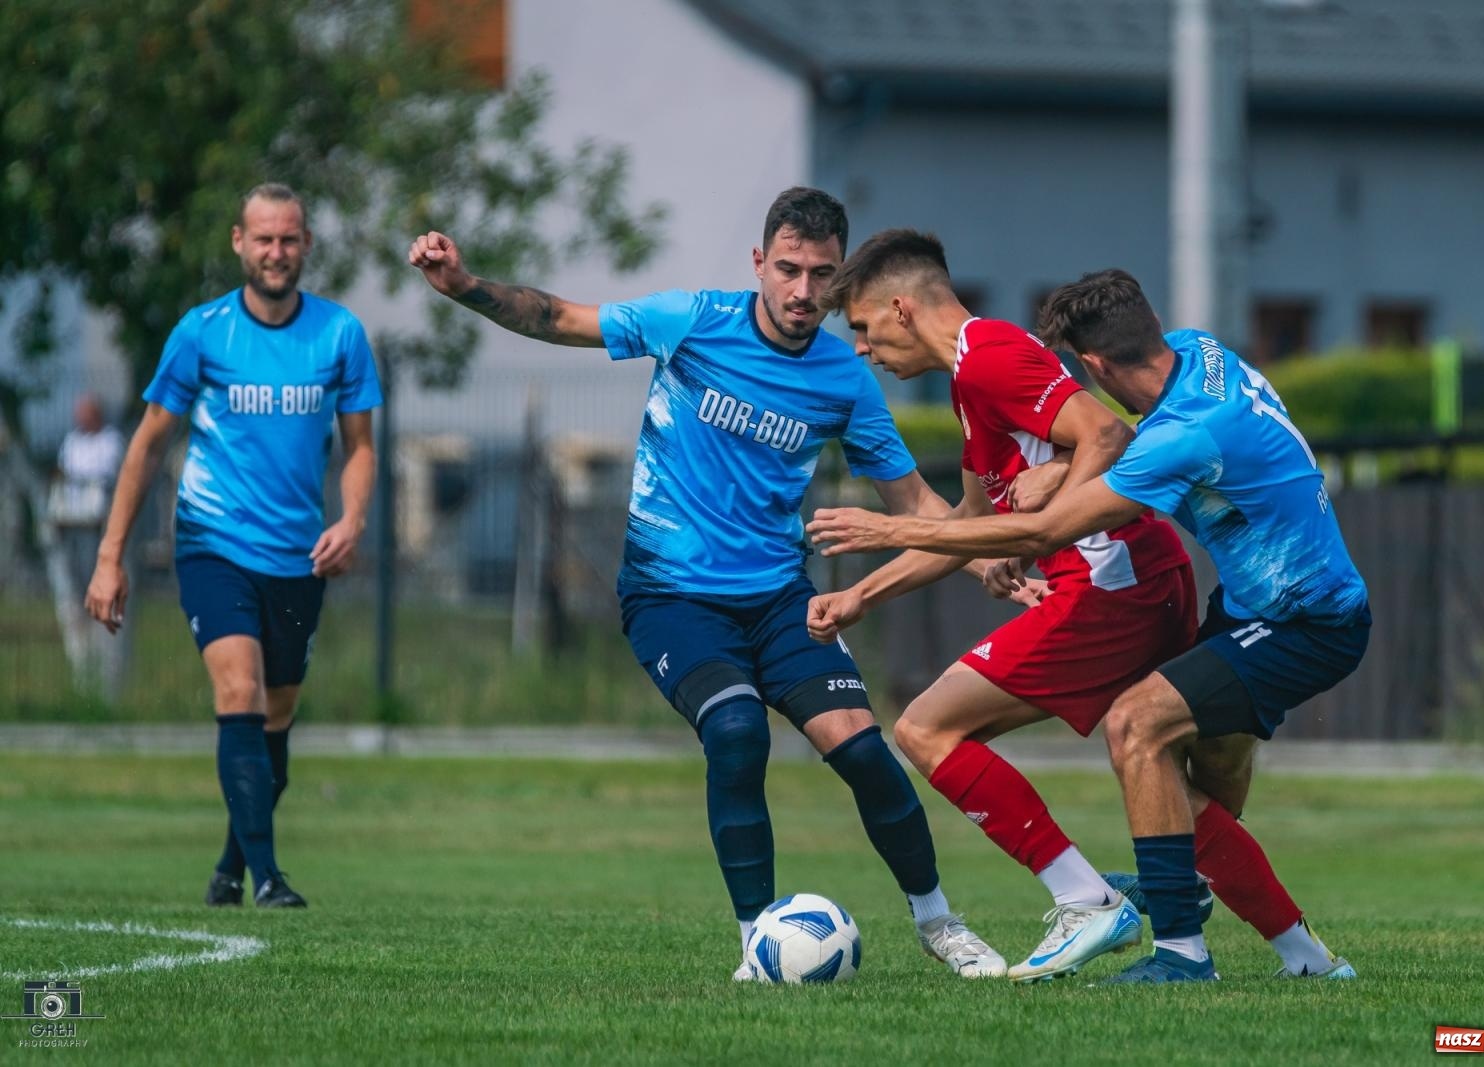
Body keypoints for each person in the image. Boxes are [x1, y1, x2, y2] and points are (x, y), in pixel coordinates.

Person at [409, 187, 1007, 981]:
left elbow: (913, 503)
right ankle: (759, 940)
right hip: (670, 595)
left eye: (822, 276)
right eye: (788, 269)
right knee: (735, 732)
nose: (803, 292)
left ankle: (940, 922)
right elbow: (559, 317)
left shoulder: (844, 376)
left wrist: (983, 553)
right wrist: (465, 286)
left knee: (864, 751)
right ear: (759, 264)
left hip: (780, 597)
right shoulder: (691, 321)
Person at [808, 268, 1368, 984]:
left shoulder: (1175, 435)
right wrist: (1072, 463)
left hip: (1306, 617)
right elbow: (1121, 441)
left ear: (1094, 365)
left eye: (860, 326)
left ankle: (1175, 949)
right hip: (1248, 605)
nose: (859, 346)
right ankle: (1301, 954)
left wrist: (889, 527)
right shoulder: (1201, 353)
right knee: (1194, 771)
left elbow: (1056, 518)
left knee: (1136, 727)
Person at [86, 182, 382, 910]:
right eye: (264, 238)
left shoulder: (339, 334)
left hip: (296, 555)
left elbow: (361, 446)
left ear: (306, 244)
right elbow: (148, 445)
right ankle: (270, 878)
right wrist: (108, 555)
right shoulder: (202, 332)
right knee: (239, 691)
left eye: (289, 238)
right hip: (213, 543)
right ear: (238, 243)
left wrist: (351, 521)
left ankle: (228, 866)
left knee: (273, 720)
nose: (276, 252)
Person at [50, 393, 126, 685]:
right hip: (71, 519)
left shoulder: (110, 440)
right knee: (74, 583)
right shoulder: (72, 441)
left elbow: (105, 474)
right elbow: (65, 471)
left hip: (97, 521)